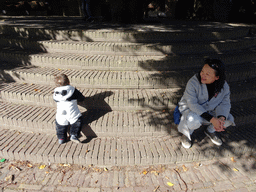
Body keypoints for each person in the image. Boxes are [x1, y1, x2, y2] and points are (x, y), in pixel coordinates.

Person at [177, 58, 235, 148]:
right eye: (202, 71)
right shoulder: (193, 82)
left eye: (207, 74)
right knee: (194, 120)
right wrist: (212, 119)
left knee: (228, 119)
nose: (202, 75)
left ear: (217, 77)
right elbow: (192, 104)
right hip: (191, 108)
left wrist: (221, 119)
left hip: (209, 109)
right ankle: (186, 134)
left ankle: (210, 130)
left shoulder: (224, 86)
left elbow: (225, 103)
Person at [53, 74, 86, 144]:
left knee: (60, 125)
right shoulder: (72, 90)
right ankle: (74, 134)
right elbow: (81, 97)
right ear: (68, 82)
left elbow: (55, 100)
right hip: (72, 112)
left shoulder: (55, 93)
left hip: (60, 114)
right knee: (78, 121)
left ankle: (61, 138)